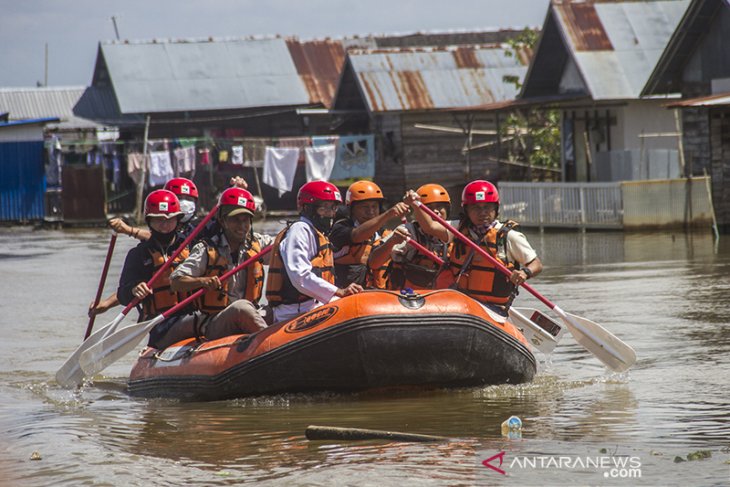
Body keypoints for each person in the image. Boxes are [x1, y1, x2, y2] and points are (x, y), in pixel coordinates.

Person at [407, 180, 542, 309]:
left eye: (487, 207)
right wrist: (415, 204)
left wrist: (524, 273)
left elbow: (536, 264)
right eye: (475, 208)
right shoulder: (459, 228)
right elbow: (430, 227)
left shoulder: (508, 236)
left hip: (493, 308)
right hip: (461, 303)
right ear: (466, 210)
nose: (482, 213)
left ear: (495, 209)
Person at [169, 187, 272, 342]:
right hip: (216, 322)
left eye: (245, 220)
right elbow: (175, 281)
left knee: (277, 309)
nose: (242, 226)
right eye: (235, 220)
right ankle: (268, 344)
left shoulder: (258, 243)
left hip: (251, 312)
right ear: (223, 221)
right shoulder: (206, 249)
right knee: (241, 307)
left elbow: (283, 247)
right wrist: (202, 281)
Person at [266, 181, 363, 324]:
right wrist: (338, 291)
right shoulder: (300, 230)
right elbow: (300, 276)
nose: (330, 214)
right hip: (293, 312)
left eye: (333, 208)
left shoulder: (318, 234)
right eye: (324, 208)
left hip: (315, 305)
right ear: (307, 208)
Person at [116, 189, 194, 349]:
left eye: (169, 220)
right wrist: (134, 289)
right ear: (149, 221)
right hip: (161, 325)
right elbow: (122, 295)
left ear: (178, 220)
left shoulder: (191, 245)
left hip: (193, 315)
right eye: (158, 220)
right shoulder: (138, 255)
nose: (164, 226)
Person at [329, 180, 409, 288]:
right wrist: (388, 214)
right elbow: (357, 236)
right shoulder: (340, 228)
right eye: (365, 207)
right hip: (347, 296)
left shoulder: (384, 234)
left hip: (378, 297)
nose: (370, 212)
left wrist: (394, 242)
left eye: (374, 207)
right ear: (352, 209)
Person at [388, 184, 454, 291]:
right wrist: (391, 243)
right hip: (410, 297)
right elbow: (374, 263)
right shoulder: (407, 231)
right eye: (429, 208)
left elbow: (431, 227)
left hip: (443, 298)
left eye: (439, 206)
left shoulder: (456, 229)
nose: (435, 211)